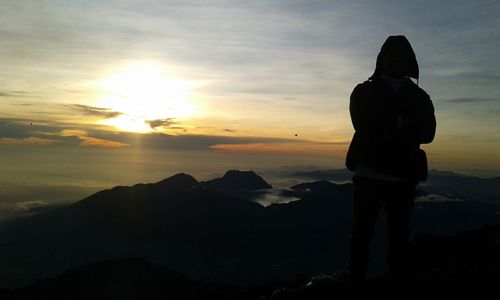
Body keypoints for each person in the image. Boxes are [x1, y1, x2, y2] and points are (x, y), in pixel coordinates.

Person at [345, 35, 436, 295]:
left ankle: (395, 283)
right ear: (381, 59)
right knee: (362, 232)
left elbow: (428, 133)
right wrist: (403, 126)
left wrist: (386, 126)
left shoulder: (418, 96)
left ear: (410, 62)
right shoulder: (364, 91)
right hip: (370, 174)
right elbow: (362, 125)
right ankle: (356, 280)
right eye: (391, 55)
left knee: (398, 236)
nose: (396, 60)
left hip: (401, 178)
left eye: (402, 56)